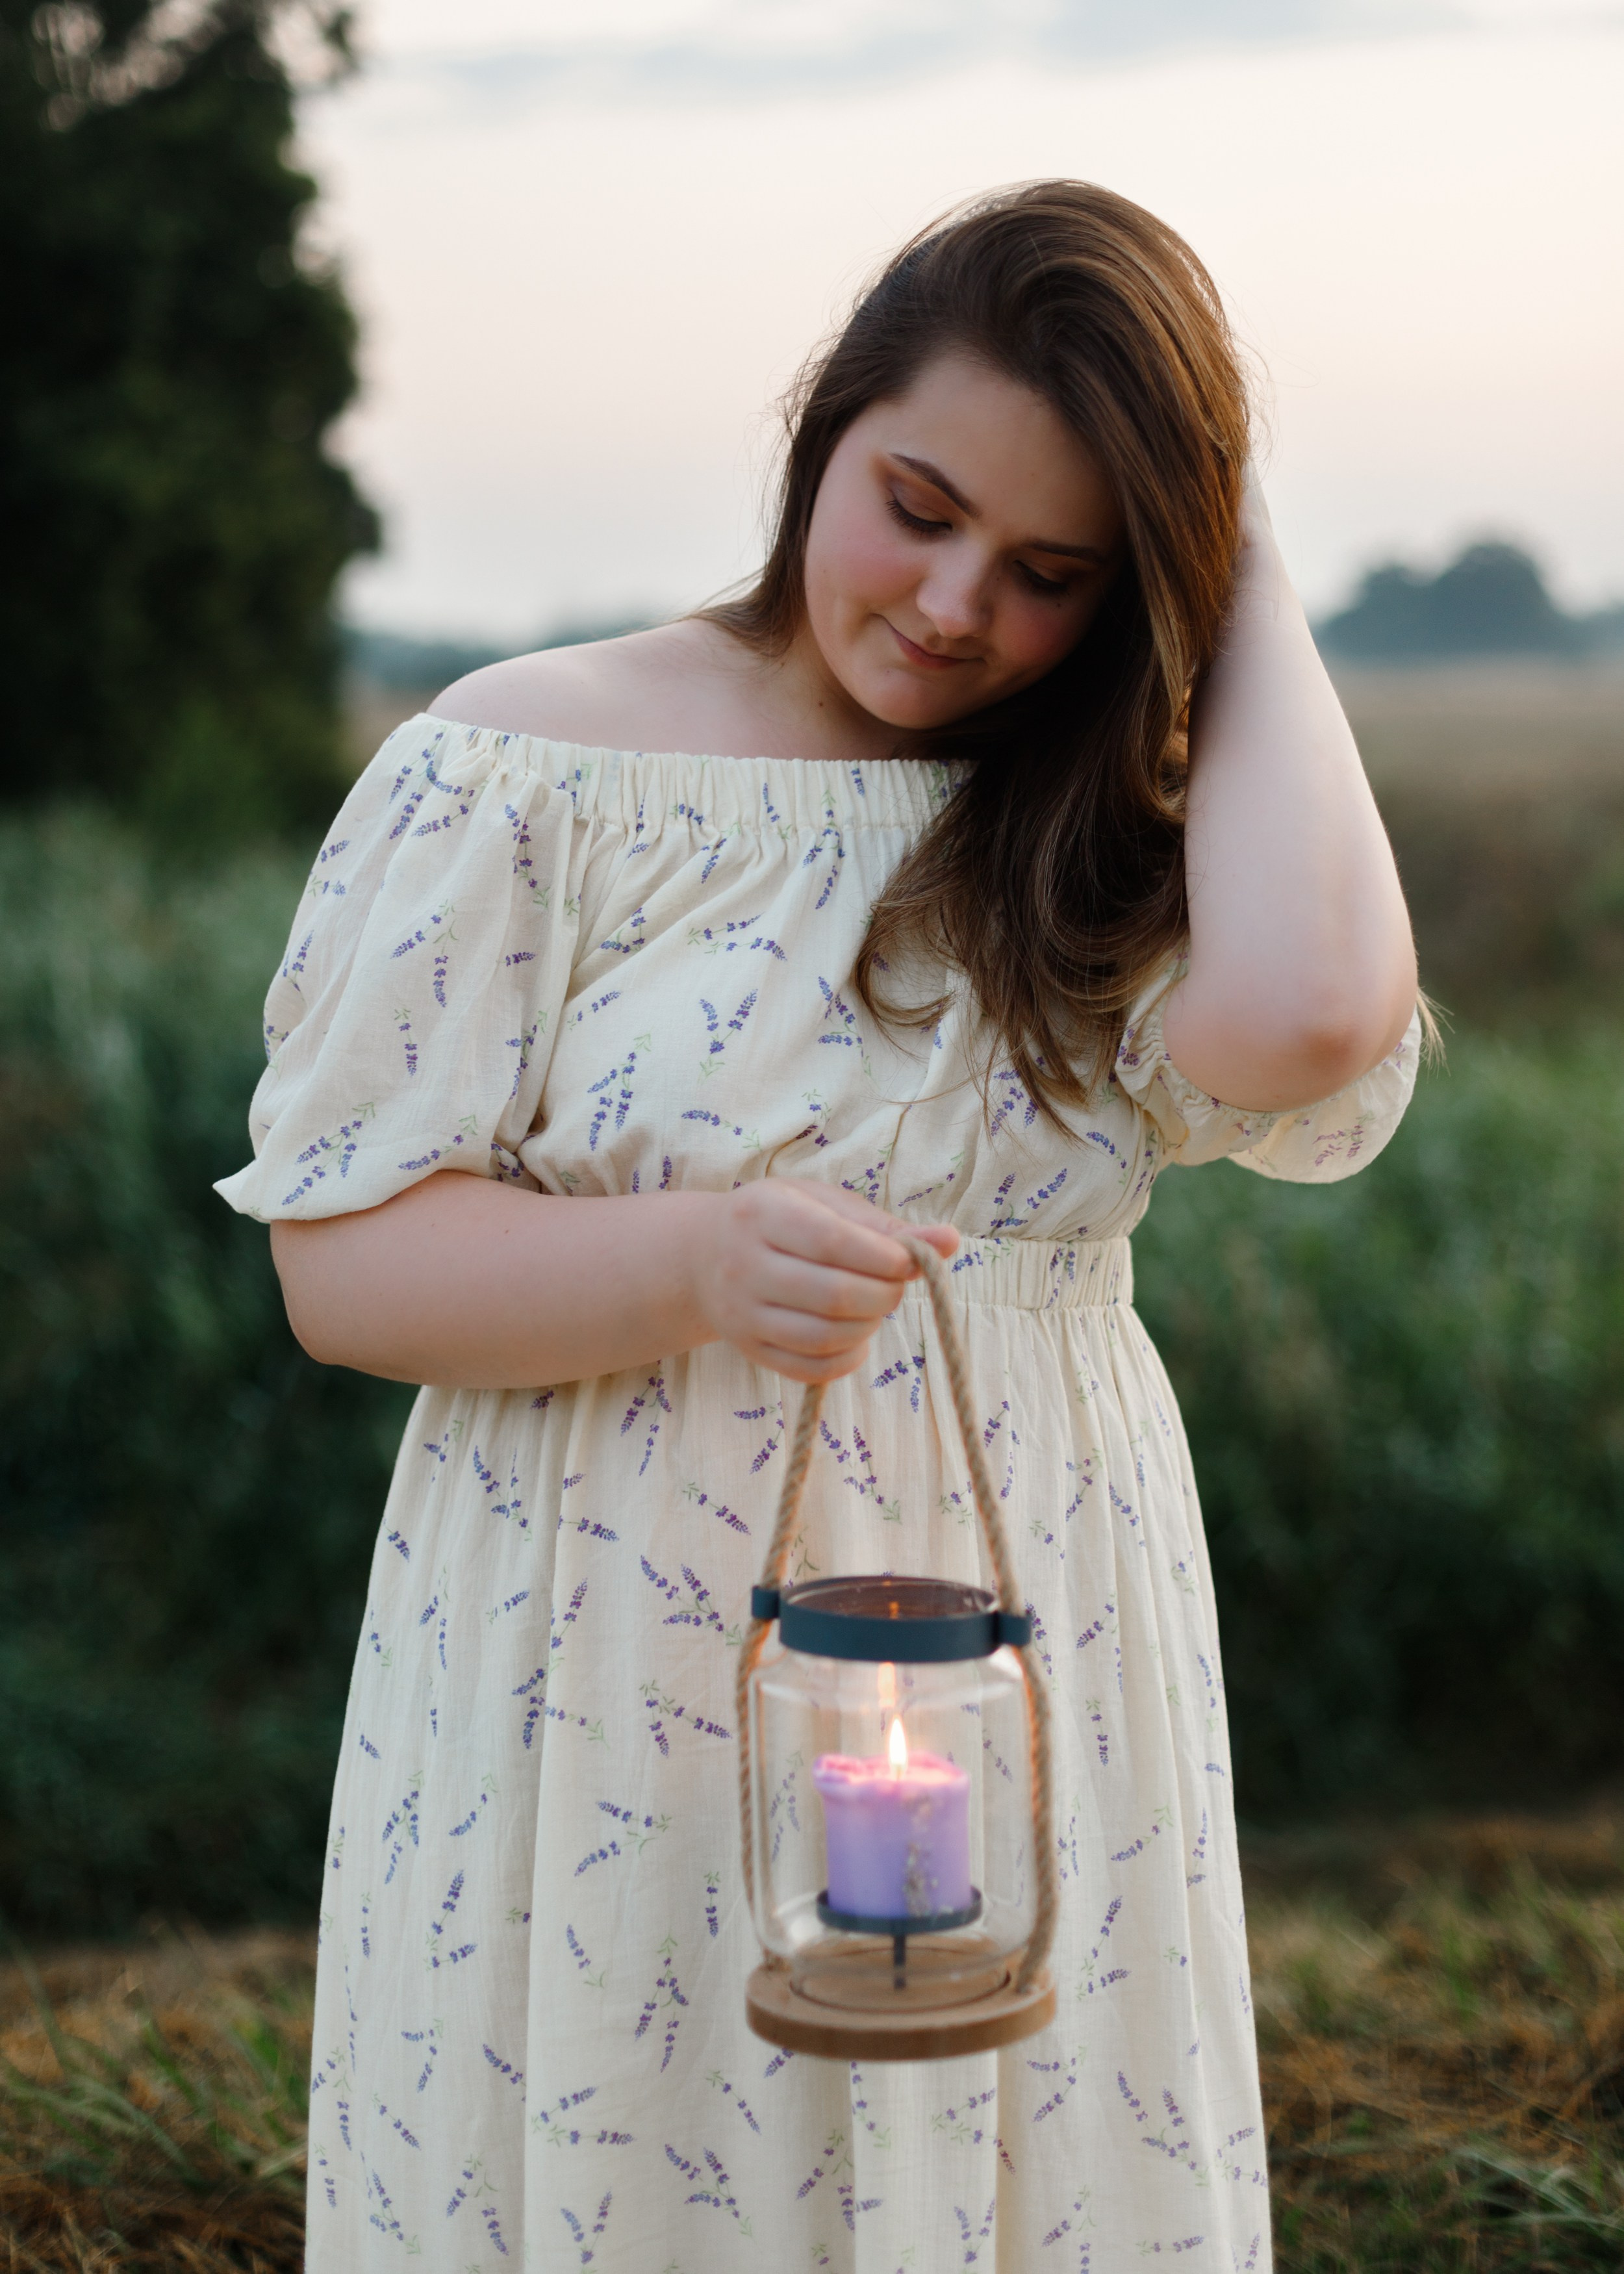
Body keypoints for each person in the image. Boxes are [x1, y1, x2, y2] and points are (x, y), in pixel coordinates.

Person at [219, 181, 1420, 2272]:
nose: (958, 604)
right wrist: (685, 1265)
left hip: (1037, 1637)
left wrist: (1227, 552)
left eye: (1056, 570)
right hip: (608, 1665)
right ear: (823, 427)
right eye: (919, 504)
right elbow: (343, 1265)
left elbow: (1315, 1015)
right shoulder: (524, 764)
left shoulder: (1091, 831)